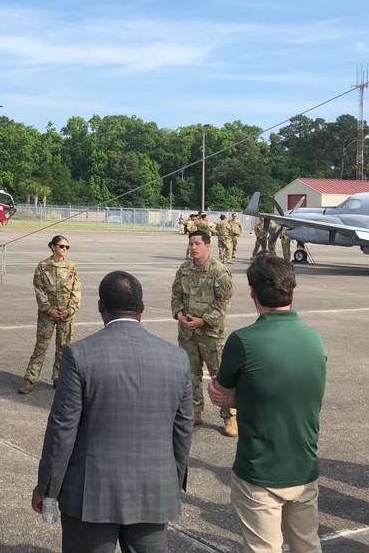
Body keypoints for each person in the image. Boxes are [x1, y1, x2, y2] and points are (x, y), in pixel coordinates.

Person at [33, 271, 193, 553]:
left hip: (91, 496)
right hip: (154, 492)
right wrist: (171, 481)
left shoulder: (80, 354)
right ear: (142, 307)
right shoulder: (177, 358)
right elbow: (183, 430)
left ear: (100, 307)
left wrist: (47, 487)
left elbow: (63, 429)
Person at [208, 255, 326, 553]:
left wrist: (236, 397)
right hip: (303, 465)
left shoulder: (244, 340)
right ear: (292, 291)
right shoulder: (314, 338)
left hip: (260, 470)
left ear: (252, 293)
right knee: (308, 545)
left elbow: (220, 391)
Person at [171, 230, 236, 436]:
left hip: (210, 333)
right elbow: (176, 295)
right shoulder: (184, 269)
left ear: (208, 245)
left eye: (197, 243)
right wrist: (179, 314)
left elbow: (222, 303)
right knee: (191, 374)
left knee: (220, 376)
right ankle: (195, 411)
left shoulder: (219, 271)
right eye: (191, 244)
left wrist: (203, 320)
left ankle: (229, 416)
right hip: (187, 333)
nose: (193, 248)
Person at [18, 235, 82, 394]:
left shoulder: (71, 267)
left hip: (66, 315)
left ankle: (59, 378)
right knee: (40, 347)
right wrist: (48, 309)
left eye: (67, 247)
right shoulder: (43, 266)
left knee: (64, 348)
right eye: (61, 246)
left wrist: (70, 309)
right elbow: (39, 290)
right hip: (47, 314)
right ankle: (30, 379)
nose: (64, 249)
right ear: (53, 247)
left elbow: (77, 291)